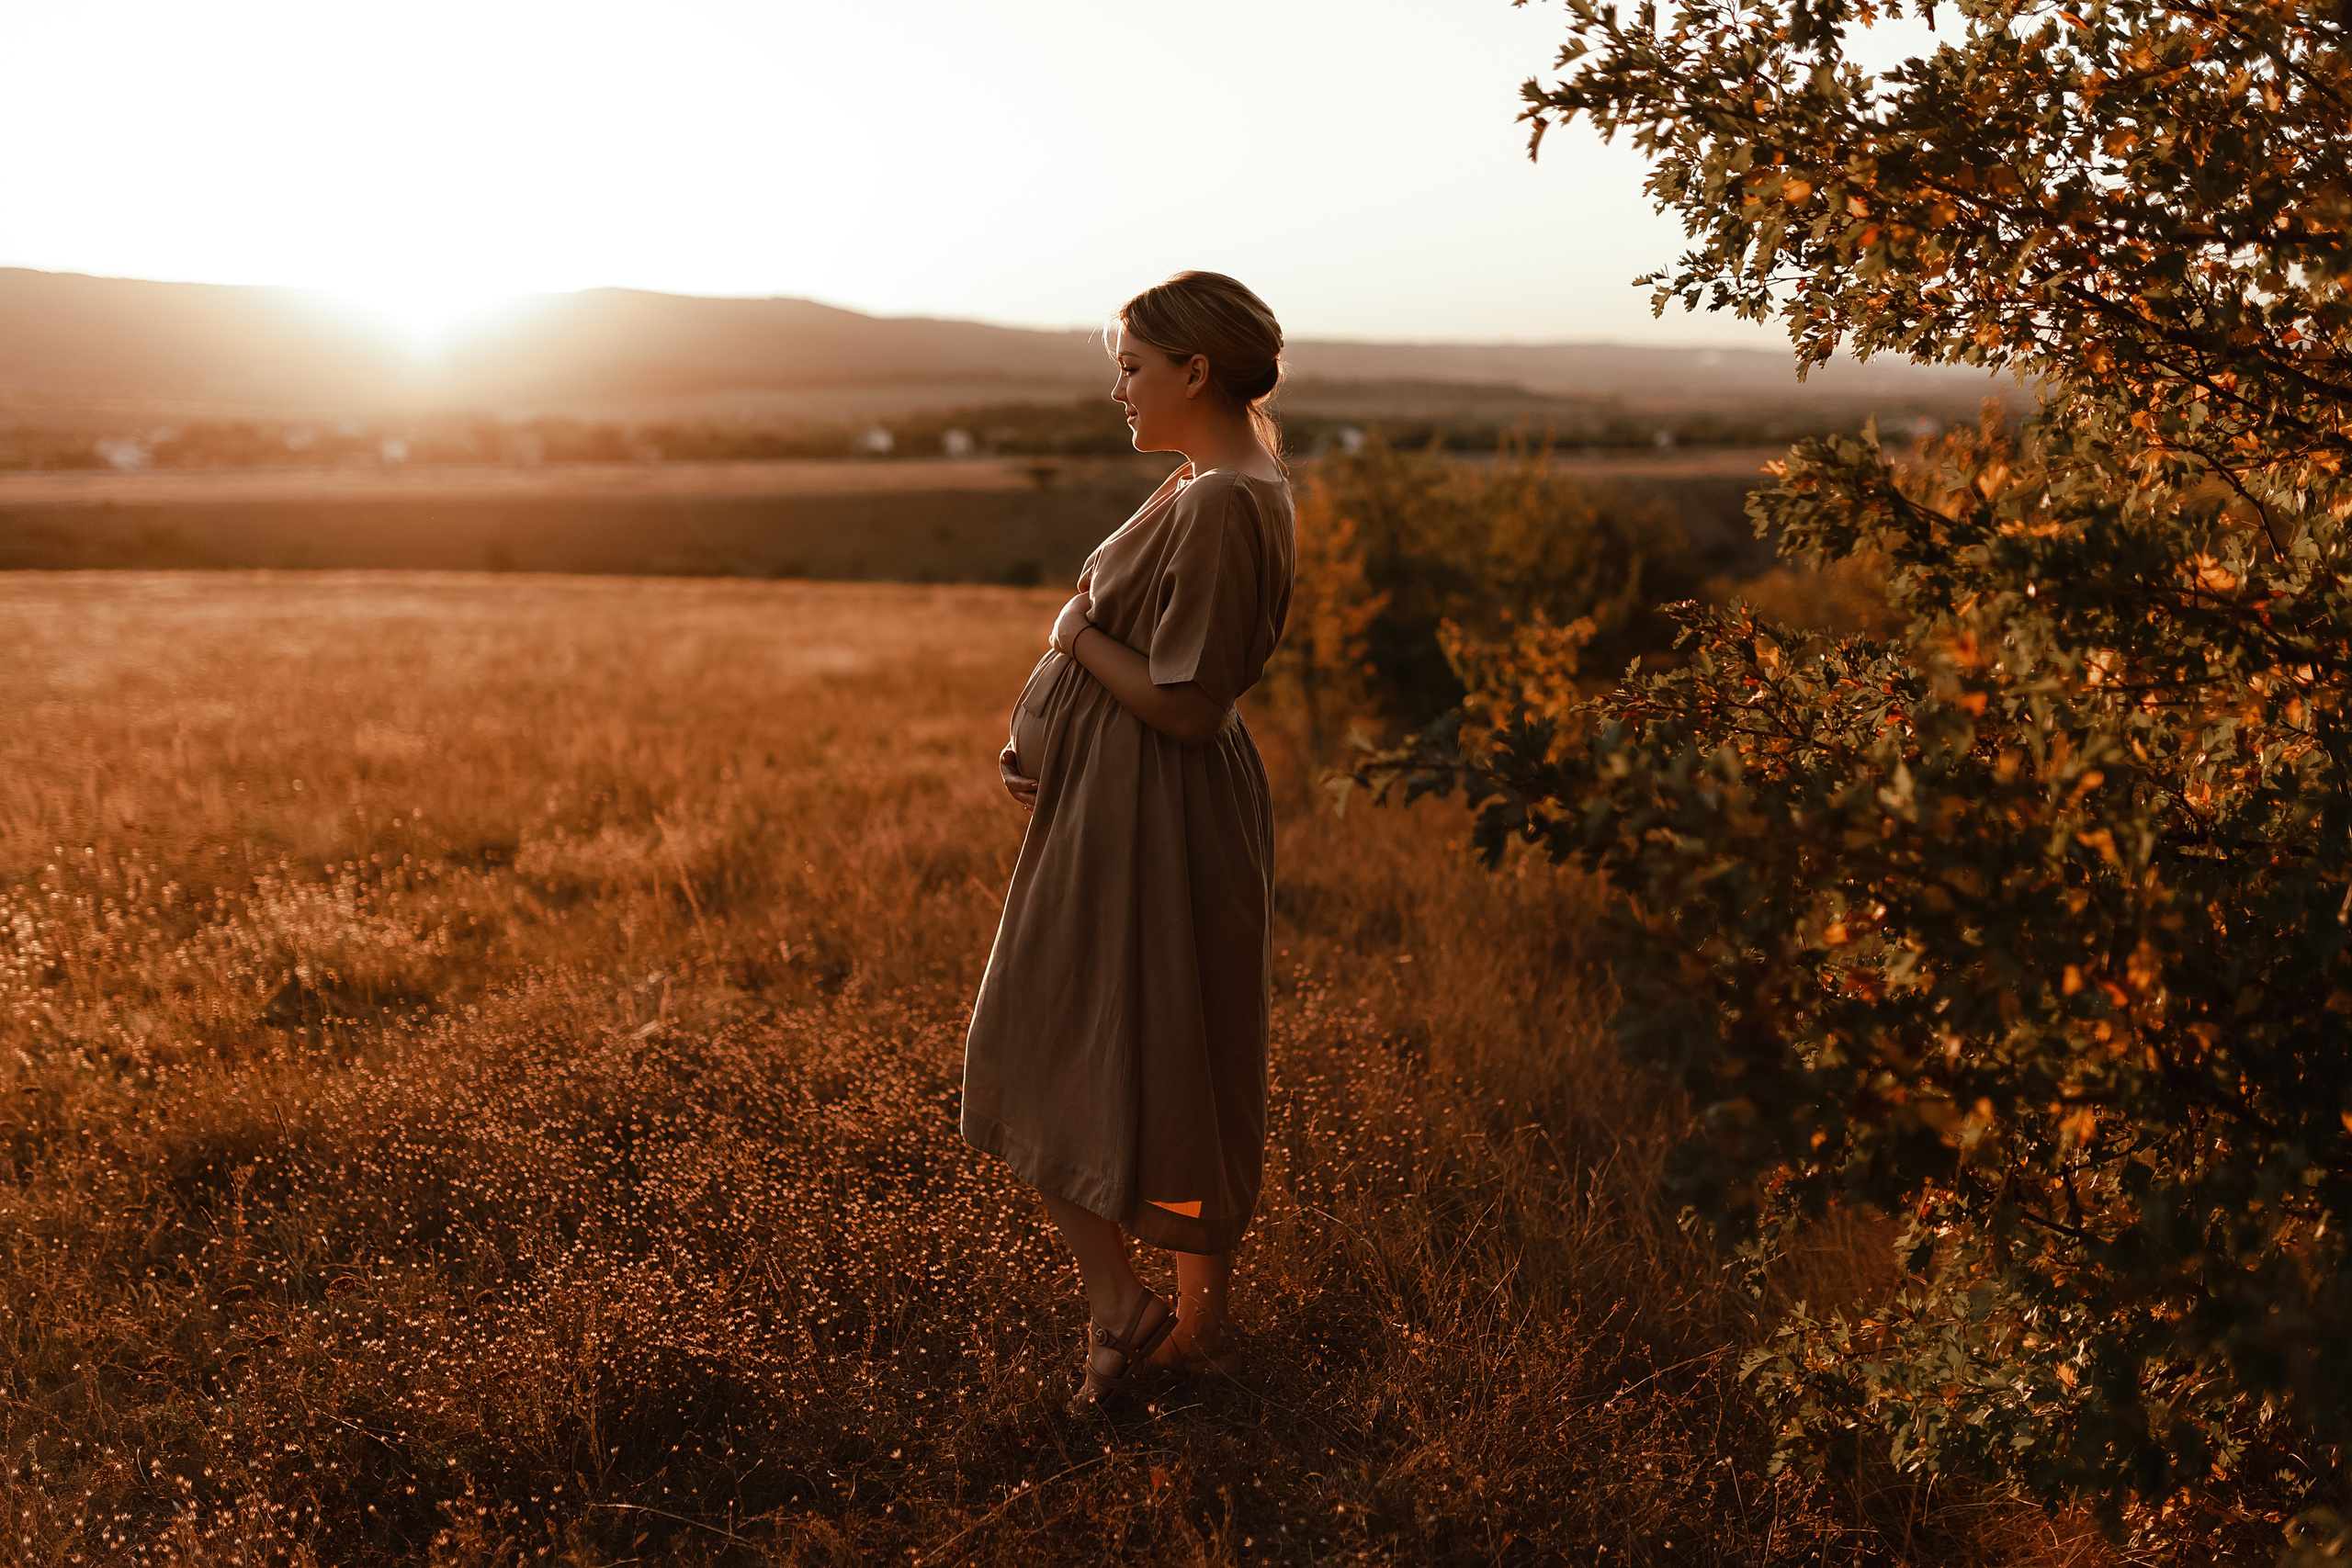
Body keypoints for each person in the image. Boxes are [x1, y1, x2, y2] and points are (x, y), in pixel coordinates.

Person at [961, 270, 1295, 1419]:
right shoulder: (1212, 483)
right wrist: (1046, 745)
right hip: (1122, 799)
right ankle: (1183, 1337)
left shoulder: (1219, 503)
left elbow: (1189, 705)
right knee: (1172, 1049)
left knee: (1038, 1040)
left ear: (1194, 371)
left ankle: (1123, 1307)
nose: (1118, 390)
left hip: (1154, 807)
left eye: (1132, 367)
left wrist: (1070, 642)